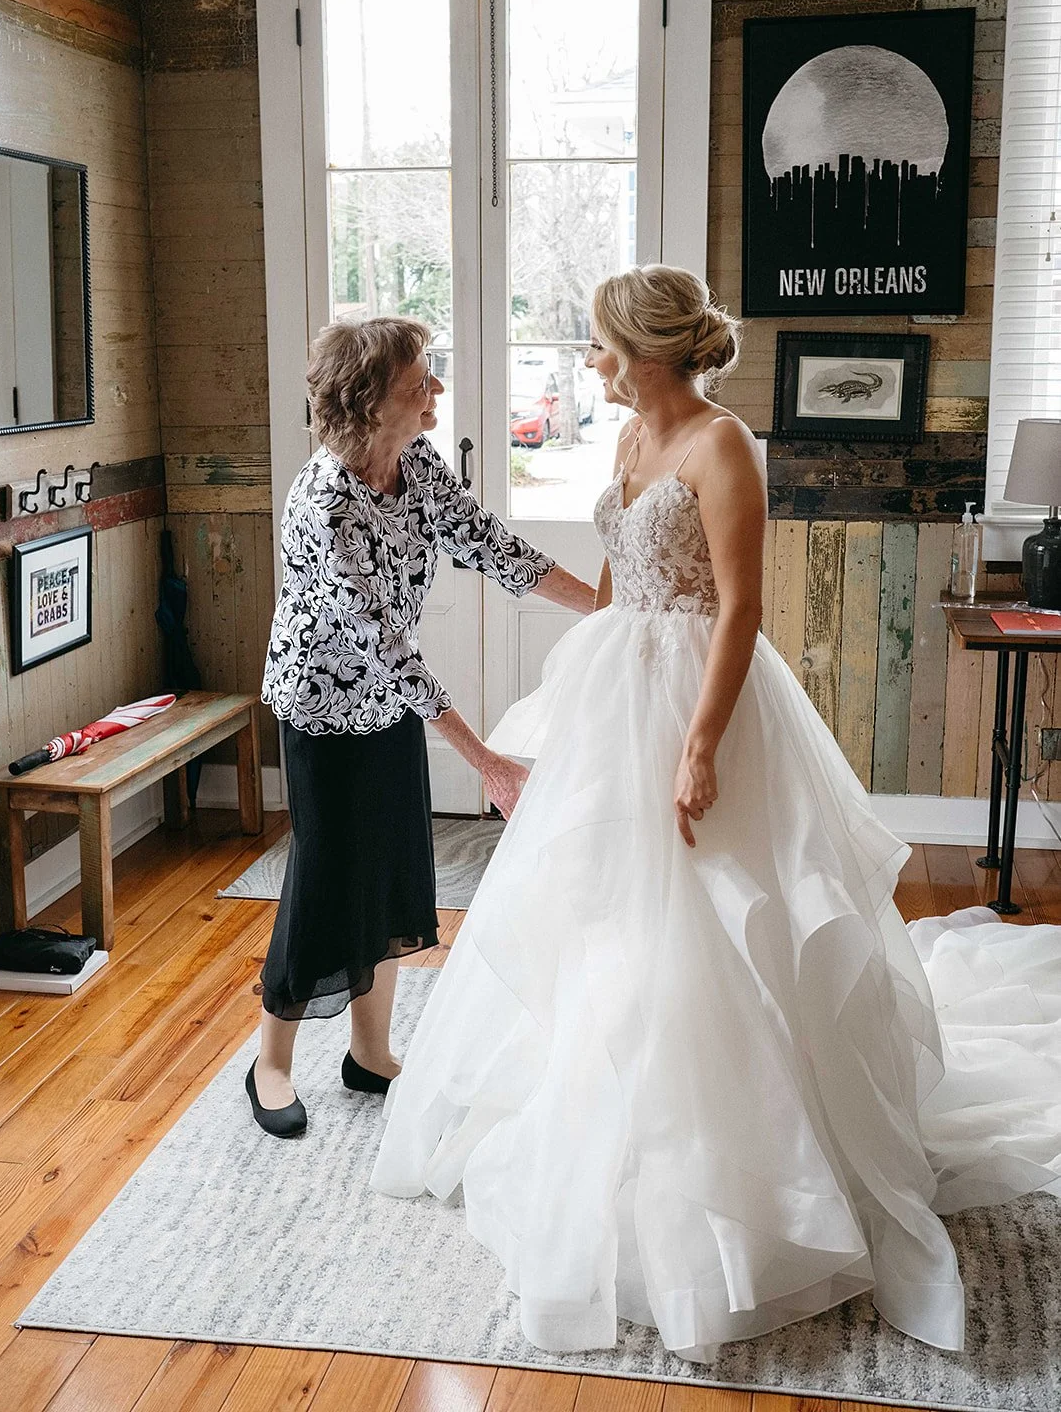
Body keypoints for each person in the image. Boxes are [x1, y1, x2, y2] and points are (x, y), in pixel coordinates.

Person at [371, 265, 1061, 1363]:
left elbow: (740, 604)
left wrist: (696, 743)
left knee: (713, 917)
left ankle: (745, 1159)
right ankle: (609, 1121)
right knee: (606, 917)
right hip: (617, 688)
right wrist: (577, 703)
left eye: (600, 347)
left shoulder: (721, 445)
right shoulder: (629, 442)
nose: (591, 364)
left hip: (700, 696)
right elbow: (613, 585)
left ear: (647, 348)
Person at [247, 315, 595, 1137]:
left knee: (395, 870)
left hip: (388, 708)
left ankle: (370, 1055)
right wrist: (490, 765)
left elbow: (487, 543)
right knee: (324, 880)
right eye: (419, 382)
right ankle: (270, 1061)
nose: (436, 389)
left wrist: (611, 610)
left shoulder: (415, 460)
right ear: (369, 403)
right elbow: (388, 650)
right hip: (325, 710)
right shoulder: (324, 503)